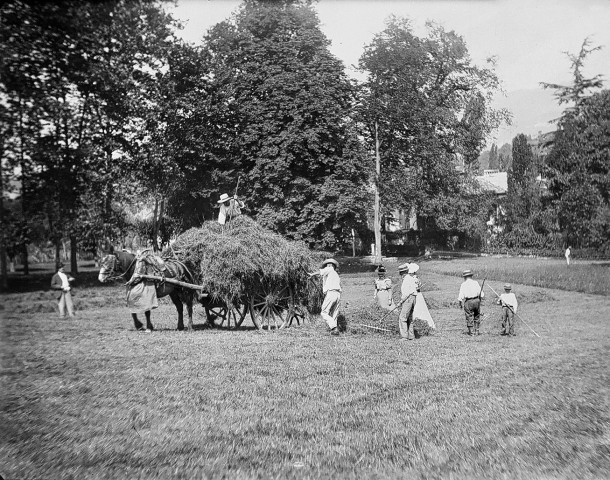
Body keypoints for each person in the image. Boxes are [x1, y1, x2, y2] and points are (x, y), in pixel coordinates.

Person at [309, 258, 341, 336]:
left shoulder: (329, 269)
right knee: (334, 313)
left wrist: (311, 274)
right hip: (338, 294)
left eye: (328, 264)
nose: (327, 266)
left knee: (324, 312)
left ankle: (334, 328)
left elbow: (320, 272)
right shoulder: (336, 274)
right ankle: (334, 330)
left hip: (331, 292)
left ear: (331, 265)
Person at [457, 270, 485, 336]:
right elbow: (482, 294)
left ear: (465, 277)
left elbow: (461, 295)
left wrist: (460, 303)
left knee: (469, 316)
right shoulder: (475, 283)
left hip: (468, 301)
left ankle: (471, 332)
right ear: (471, 276)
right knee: (477, 315)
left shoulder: (463, 284)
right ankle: (477, 331)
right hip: (476, 300)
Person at [397, 262, 420, 340]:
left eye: (400, 273)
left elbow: (406, 293)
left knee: (402, 317)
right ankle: (411, 336)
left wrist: (400, 302)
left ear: (402, 273)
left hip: (408, 299)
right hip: (413, 298)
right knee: (410, 317)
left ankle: (404, 336)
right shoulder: (411, 278)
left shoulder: (406, 279)